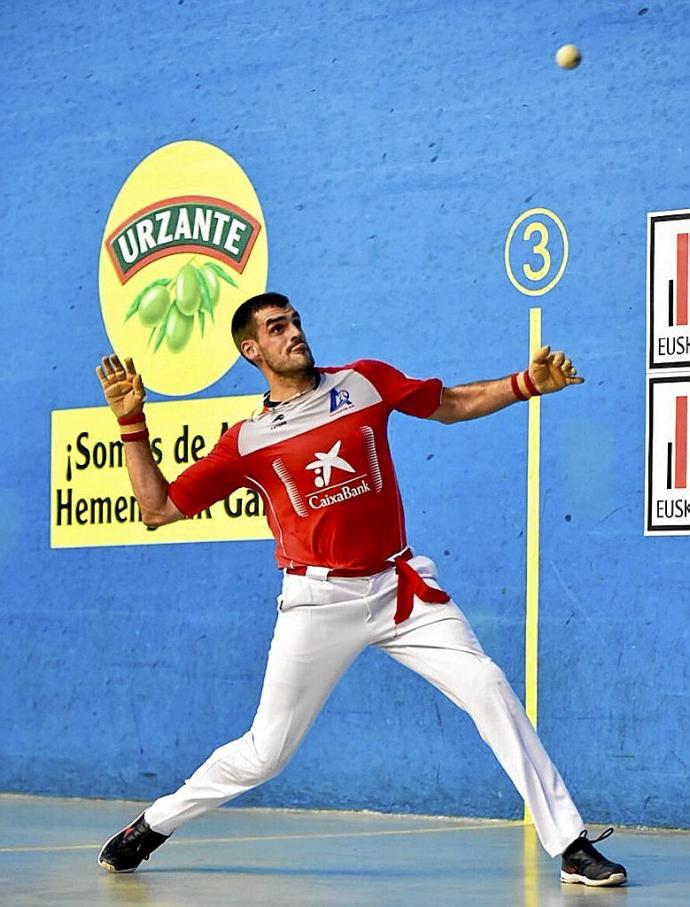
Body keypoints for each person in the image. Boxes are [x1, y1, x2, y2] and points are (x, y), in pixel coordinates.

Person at [96, 292, 627, 887]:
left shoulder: (365, 383)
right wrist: (131, 422)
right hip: (317, 604)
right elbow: (158, 507)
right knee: (266, 753)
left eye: (295, 321)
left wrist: (526, 383)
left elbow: (449, 404)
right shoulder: (246, 440)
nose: (293, 332)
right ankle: (153, 824)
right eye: (277, 328)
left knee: (487, 684)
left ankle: (572, 846)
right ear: (252, 350)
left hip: (400, 587)